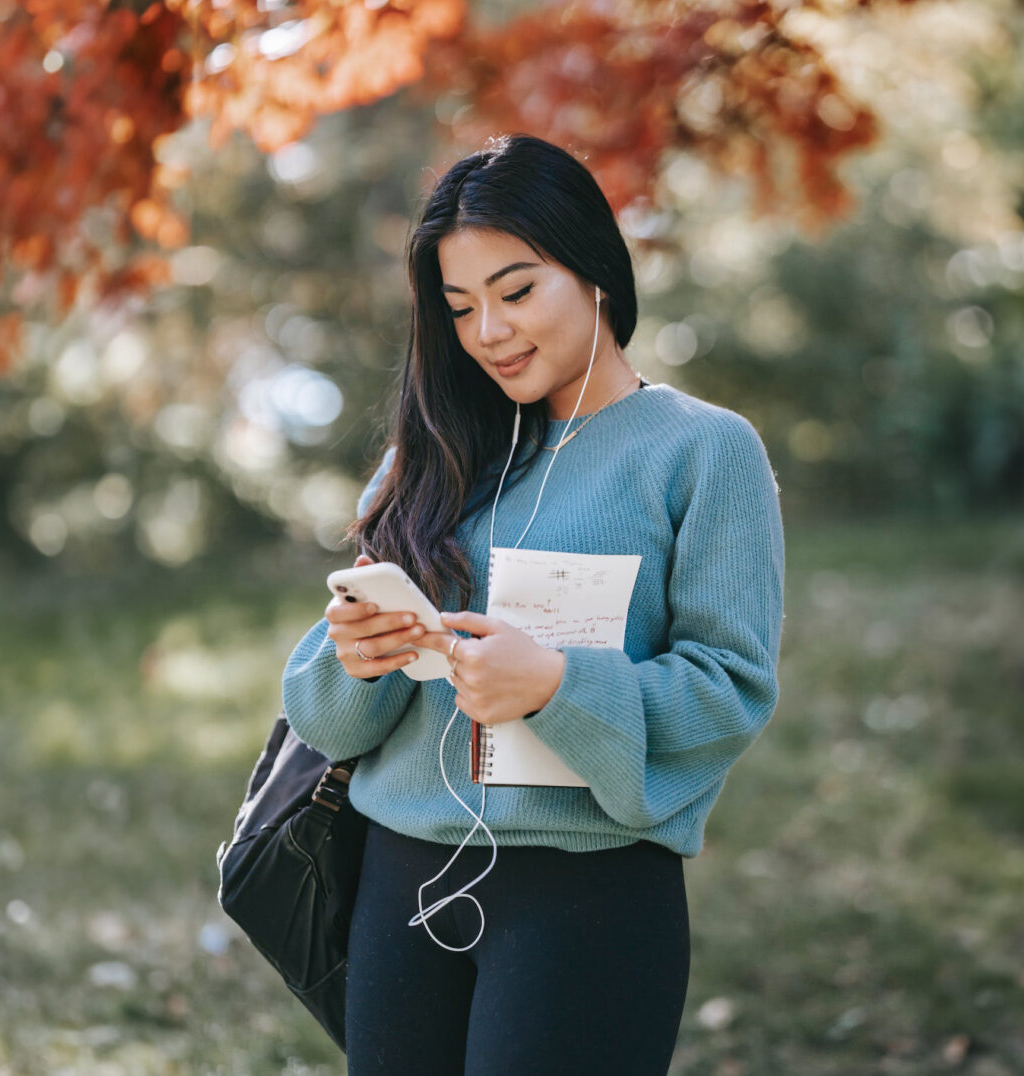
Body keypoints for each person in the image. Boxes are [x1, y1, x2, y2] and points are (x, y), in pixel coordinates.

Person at [282, 133, 785, 1075]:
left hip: (590, 895)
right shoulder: (428, 457)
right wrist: (354, 656)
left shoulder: (704, 452)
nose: (489, 333)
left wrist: (557, 685)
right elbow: (325, 723)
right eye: (461, 306)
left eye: (516, 292)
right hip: (403, 880)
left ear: (594, 268)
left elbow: (730, 692)